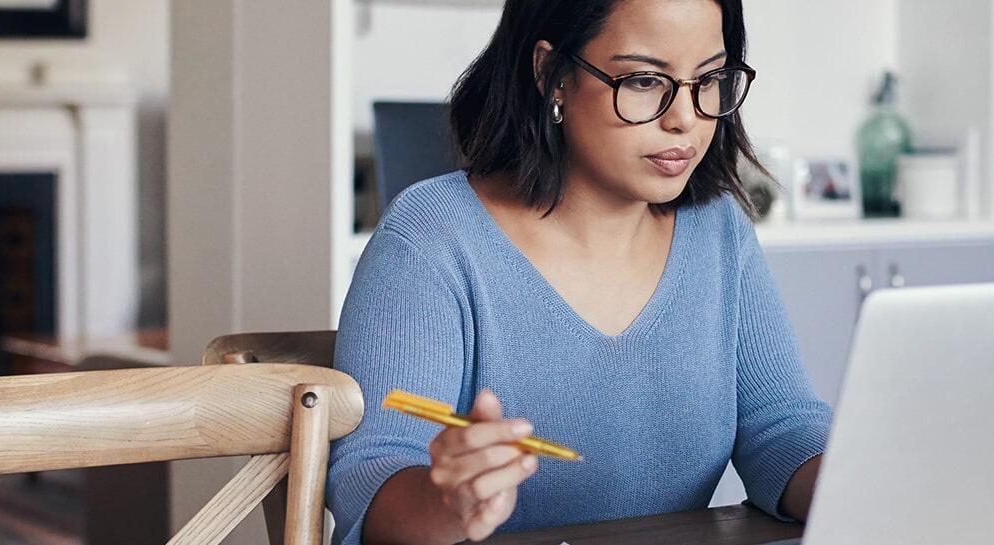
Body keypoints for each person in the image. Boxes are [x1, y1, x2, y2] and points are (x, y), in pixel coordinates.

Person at [327, 1, 833, 544]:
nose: (685, 117)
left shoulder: (718, 231)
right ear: (552, 74)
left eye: (709, 79)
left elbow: (779, 429)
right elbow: (372, 485)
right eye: (643, 80)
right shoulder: (432, 238)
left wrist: (879, 476)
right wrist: (449, 501)